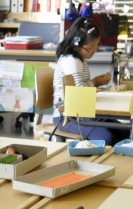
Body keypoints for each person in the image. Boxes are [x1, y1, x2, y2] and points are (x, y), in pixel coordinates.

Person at [53, 17, 128, 145]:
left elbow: (82, 86)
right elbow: (79, 92)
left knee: (123, 131)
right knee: (106, 138)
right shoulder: (71, 61)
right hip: (67, 116)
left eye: (96, 46)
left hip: (82, 112)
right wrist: (95, 82)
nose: (94, 51)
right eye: (90, 48)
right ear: (76, 45)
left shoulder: (80, 59)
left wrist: (95, 82)